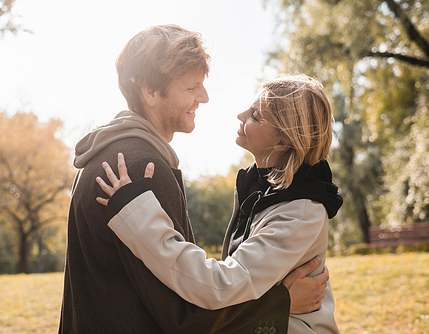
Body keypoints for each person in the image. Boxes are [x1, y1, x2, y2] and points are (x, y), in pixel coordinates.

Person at [59, 24, 329, 334]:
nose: (204, 97)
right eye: (191, 88)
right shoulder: (138, 168)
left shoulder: (105, 152)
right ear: (150, 91)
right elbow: (185, 314)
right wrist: (281, 303)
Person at [96, 74, 343, 333]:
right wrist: (282, 301)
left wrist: (137, 213)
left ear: (283, 140)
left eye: (255, 115)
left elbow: (220, 286)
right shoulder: (262, 191)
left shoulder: (299, 213)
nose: (241, 114)